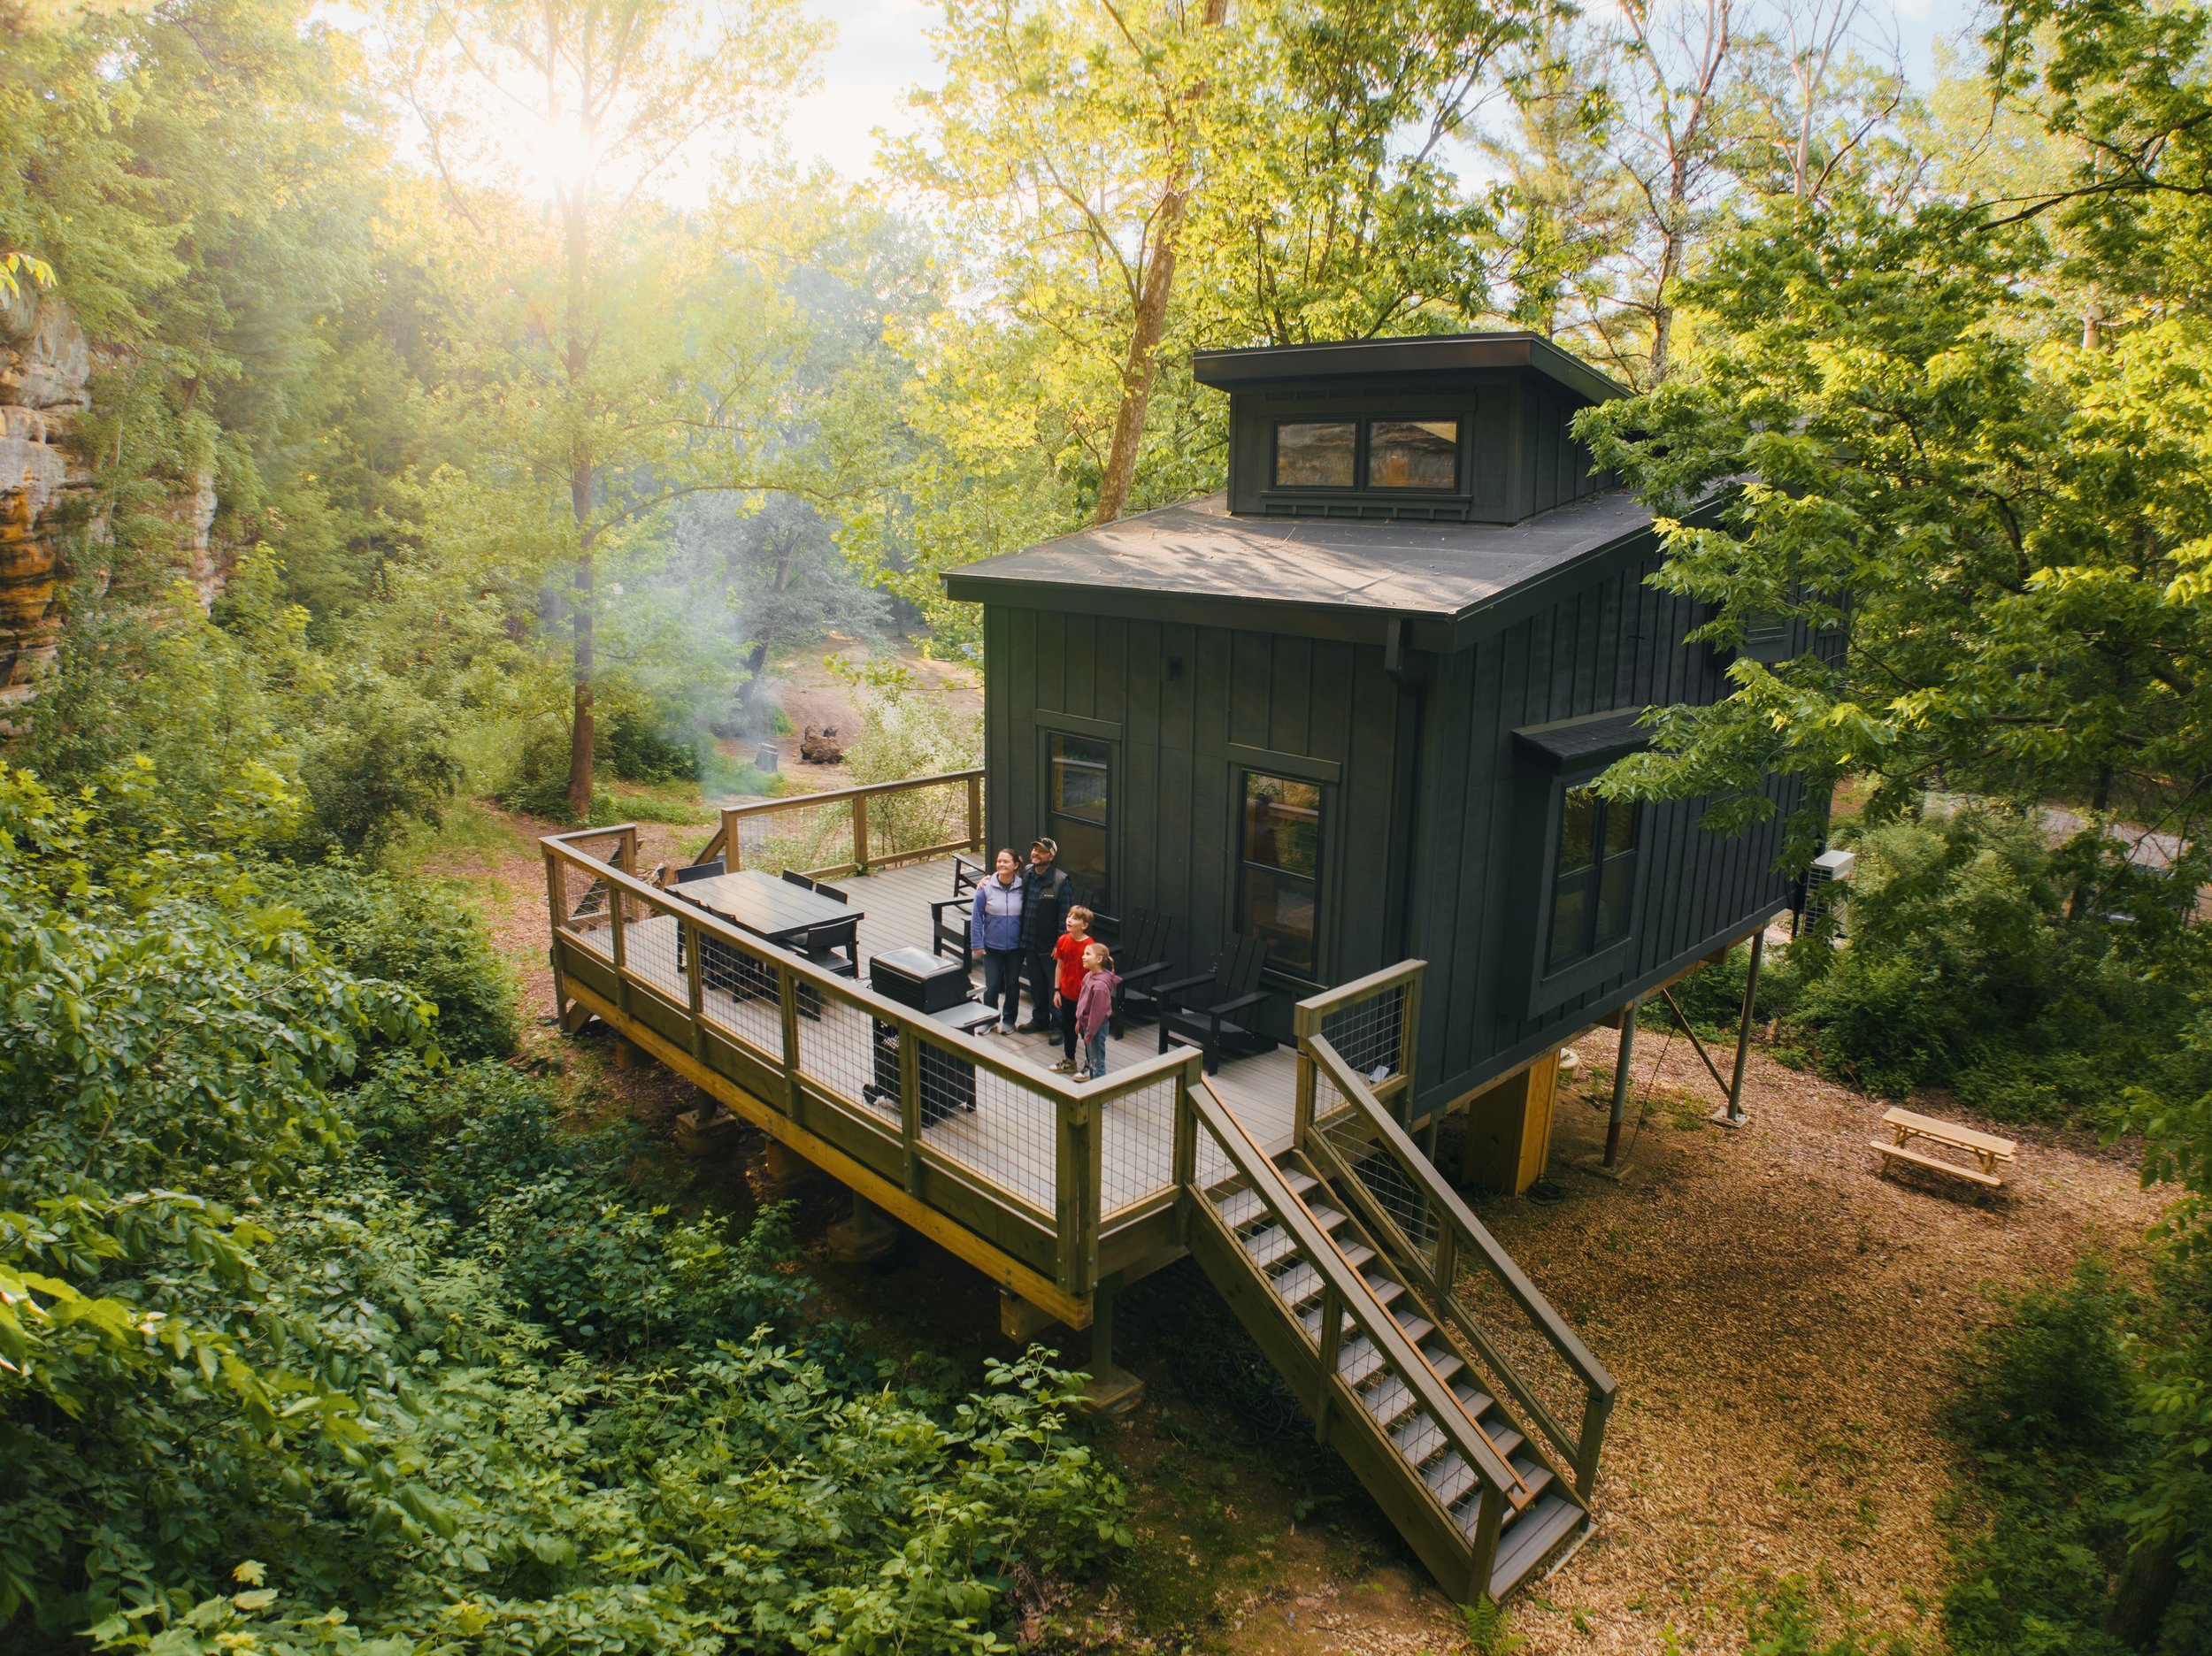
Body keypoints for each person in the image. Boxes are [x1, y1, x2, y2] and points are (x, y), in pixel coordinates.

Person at [968, 848, 1026, 1034]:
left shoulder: (1024, 887)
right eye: (999, 861)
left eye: (1006, 861)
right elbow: (976, 918)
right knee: (992, 985)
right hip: (992, 946)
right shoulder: (985, 888)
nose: (1001, 864)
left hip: (1016, 947)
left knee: (1012, 984)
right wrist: (977, 943)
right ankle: (990, 1019)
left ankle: (1009, 1020)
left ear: (1015, 865)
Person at [1018, 836, 1073, 1033]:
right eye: (1034, 850)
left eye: (1041, 851)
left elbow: (1065, 917)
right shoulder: (1026, 873)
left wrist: (1060, 944)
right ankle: (1039, 1020)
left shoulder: (1061, 881)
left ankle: (1058, 1026)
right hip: (1029, 941)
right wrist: (987, 880)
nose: (1035, 853)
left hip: (1050, 946)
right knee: (1037, 986)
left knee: (1054, 987)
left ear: (1050, 857)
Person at [1048, 905, 1094, 1073]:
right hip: (1066, 994)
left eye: (1075, 918)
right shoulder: (1063, 940)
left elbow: (1094, 974)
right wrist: (1057, 990)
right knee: (1068, 1028)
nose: (1069, 920)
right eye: (1069, 916)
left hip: (1083, 998)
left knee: (1086, 1032)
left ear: (1084, 925)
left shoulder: (1090, 946)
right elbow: (1060, 966)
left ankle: (1091, 1064)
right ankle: (1069, 1060)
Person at [1073, 942, 1118, 1081]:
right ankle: (1092, 1090)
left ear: (1099, 959)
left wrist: (1090, 1033)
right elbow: (1083, 1001)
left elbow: (1097, 1014)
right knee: (1092, 1060)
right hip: (1088, 1025)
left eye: (1088, 954)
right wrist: (1080, 1022)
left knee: (1097, 1063)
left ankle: (1100, 1100)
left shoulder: (1100, 986)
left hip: (1096, 1029)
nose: (1083, 957)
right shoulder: (1088, 976)